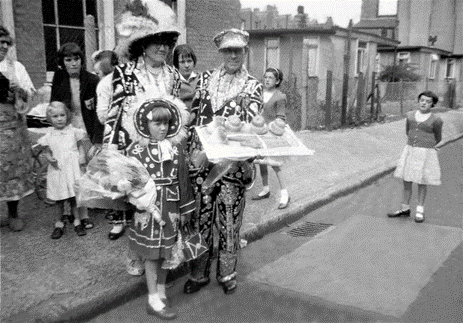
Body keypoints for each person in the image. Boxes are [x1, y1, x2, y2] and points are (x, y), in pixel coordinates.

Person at [103, 0, 182, 272]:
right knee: (141, 206)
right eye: (155, 41)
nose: (162, 48)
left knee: (167, 206)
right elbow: (116, 116)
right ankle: (140, 257)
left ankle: (164, 255)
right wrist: (115, 158)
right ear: (141, 43)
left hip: (166, 153)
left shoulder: (174, 75)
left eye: (166, 42)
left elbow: (180, 116)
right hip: (137, 153)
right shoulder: (124, 73)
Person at [185, 28, 263, 295]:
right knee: (199, 221)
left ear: (244, 52)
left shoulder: (253, 85)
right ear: (220, 52)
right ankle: (198, 273)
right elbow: (193, 117)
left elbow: (253, 127)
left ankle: (227, 272)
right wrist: (188, 153)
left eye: (237, 50)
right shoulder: (205, 79)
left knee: (229, 222)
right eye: (228, 50)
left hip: (231, 166)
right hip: (202, 165)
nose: (232, 55)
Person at [127, 97, 194, 319]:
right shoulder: (136, 151)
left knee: (168, 252)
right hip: (148, 209)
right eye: (157, 123)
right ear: (146, 125)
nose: (163, 128)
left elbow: (183, 180)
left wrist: (186, 209)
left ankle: (162, 291)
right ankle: (152, 298)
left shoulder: (176, 149)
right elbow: (131, 183)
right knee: (151, 255)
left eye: (166, 123)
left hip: (171, 207)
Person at [50, 42, 102, 230]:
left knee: (82, 172)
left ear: (81, 60)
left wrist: (97, 139)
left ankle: (84, 212)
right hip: (65, 130)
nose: (73, 63)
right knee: (64, 170)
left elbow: (98, 113)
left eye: (76, 59)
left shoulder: (92, 80)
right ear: (63, 63)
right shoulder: (58, 78)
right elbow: (54, 106)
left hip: (85, 129)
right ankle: (66, 211)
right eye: (68, 60)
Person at [387, 91, 443, 223]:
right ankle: (405, 208)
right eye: (422, 100)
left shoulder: (436, 120)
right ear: (418, 101)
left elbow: (438, 137)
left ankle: (420, 210)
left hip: (426, 154)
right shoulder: (410, 116)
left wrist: (428, 145)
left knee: (422, 181)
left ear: (432, 104)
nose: (424, 103)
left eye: (428, 101)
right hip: (411, 151)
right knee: (407, 180)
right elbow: (408, 132)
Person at [0, 25, 36, 231]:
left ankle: (13, 213)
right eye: (0, 42)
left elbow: (30, 93)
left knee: (12, 170)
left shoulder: (16, 67)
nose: (4, 46)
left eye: (7, 42)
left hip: (12, 130)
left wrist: (19, 89)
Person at [38, 102, 88, 238]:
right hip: (58, 169)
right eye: (55, 116)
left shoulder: (73, 132)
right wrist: (49, 158)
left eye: (62, 115)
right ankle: (59, 223)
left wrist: (82, 156)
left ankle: (77, 221)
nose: (59, 119)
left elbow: (80, 146)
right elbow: (47, 151)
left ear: (67, 116)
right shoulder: (49, 136)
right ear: (49, 118)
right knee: (59, 199)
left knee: (73, 197)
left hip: (72, 168)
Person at [252, 67, 290, 209]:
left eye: (271, 78)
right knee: (261, 161)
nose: (267, 80)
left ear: (277, 81)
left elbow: (281, 117)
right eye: (265, 77)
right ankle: (266, 188)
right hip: (258, 131)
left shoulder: (280, 97)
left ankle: (285, 193)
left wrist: (272, 126)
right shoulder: (259, 93)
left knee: (274, 164)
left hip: (271, 134)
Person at [172, 44, 199, 112]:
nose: (187, 65)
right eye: (182, 62)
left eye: (189, 61)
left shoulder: (200, 79)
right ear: (176, 64)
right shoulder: (172, 82)